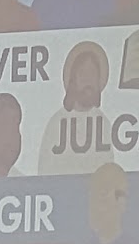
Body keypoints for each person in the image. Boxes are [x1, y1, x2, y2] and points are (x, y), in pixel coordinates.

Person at [36, 41, 111, 175]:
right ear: (73, 80)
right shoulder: (56, 123)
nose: (88, 80)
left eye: (92, 73)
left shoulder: (103, 123)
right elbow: (44, 172)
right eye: (83, 73)